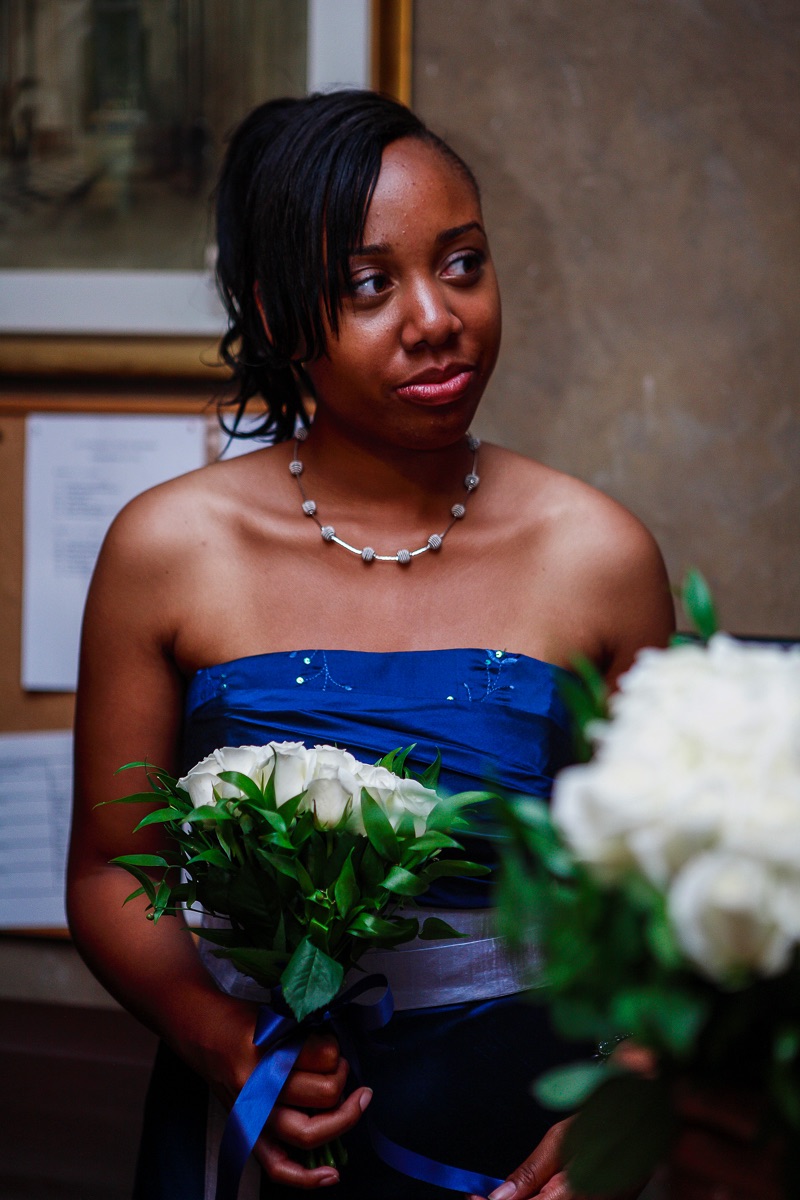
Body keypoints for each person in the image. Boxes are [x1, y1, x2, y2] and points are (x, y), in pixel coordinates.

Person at [66, 89, 675, 1200]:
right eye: (367, 285)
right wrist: (226, 1041)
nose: (435, 318)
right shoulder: (167, 549)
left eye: (461, 264)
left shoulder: (599, 556)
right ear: (276, 315)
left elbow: (669, 899)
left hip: (515, 1129)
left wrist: (629, 1098)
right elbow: (113, 869)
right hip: (251, 1116)